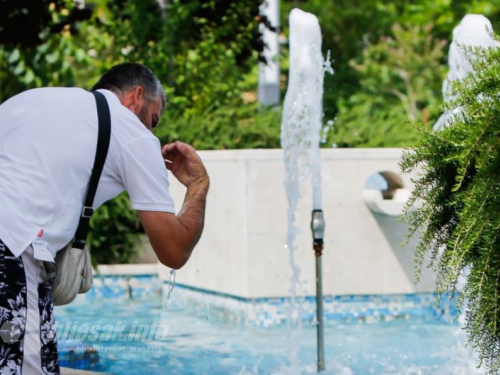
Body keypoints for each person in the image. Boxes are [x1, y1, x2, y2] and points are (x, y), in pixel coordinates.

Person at [0, 63, 209, 374]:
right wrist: (198, 186)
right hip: (12, 249)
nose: (150, 130)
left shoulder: (30, 99)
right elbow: (174, 250)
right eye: (153, 119)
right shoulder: (132, 133)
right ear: (137, 96)